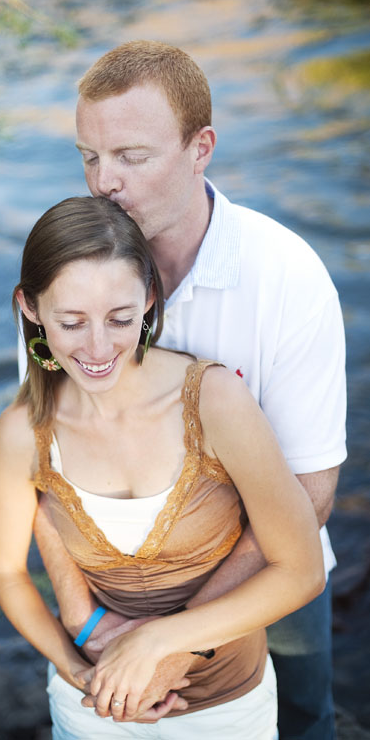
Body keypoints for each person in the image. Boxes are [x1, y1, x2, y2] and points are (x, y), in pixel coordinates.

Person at [24, 41, 347, 740]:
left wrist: (177, 639)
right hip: (113, 590)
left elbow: (311, 492)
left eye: (130, 157)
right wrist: (87, 620)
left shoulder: (286, 278)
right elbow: (38, 470)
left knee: (302, 718)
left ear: (200, 147)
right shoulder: (61, 282)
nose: (102, 181)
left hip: (270, 577)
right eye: (88, 156)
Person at [0, 194, 324, 740]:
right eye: (71, 323)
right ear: (30, 308)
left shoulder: (213, 401)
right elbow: (5, 571)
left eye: (120, 319)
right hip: (91, 707)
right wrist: (77, 673)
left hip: (226, 708)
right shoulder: (22, 429)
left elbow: (301, 569)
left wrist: (157, 641)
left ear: (148, 299)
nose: (99, 348)